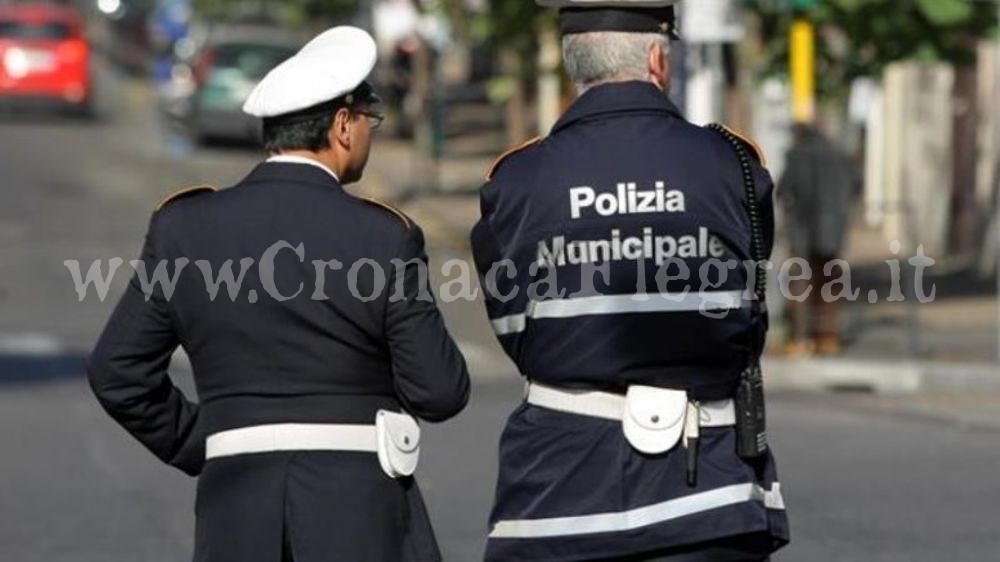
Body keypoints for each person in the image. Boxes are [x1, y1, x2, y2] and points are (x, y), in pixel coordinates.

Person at [87, 26, 470, 562]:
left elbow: (116, 370)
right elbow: (440, 391)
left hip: (234, 517)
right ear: (341, 126)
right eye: (369, 120)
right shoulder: (384, 235)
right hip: (360, 521)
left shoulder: (184, 227)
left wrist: (203, 441)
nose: (370, 133)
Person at [470, 2, 789, 560]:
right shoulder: (734, 163)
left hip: (556, 496)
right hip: (709, 496)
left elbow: (516, 330)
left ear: (573, 65)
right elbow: (748, 314)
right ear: (658, 58)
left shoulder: (514, 181)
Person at [778, 123, 860, 357]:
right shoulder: (841, 156)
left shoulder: (797, 155)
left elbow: (784, 189)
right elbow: (856, 185)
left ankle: (801, 338)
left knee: (802, 284)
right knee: (830, 283)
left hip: (804, 229)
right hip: (833, 229)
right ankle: (828, 337)